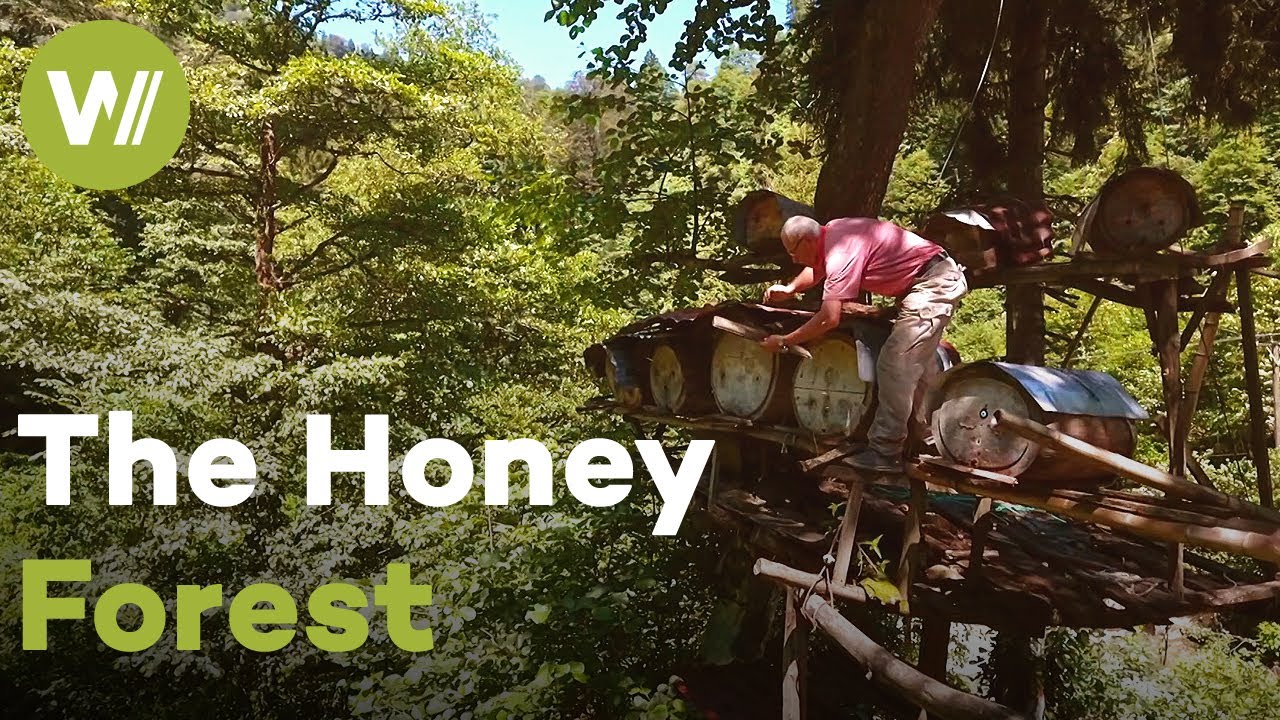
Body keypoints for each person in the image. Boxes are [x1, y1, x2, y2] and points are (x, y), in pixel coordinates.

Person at [760, 215, 968, 473]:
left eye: (793, 251)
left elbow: (828, 319)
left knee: (894, 364)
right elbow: (816, 268)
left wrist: (785, 340)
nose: (792, 258)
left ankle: (885, 451)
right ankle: (927, 440)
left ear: (807, 240)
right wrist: (791, 288)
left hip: (933, 284)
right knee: (918, 369)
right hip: (929, 280)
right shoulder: (834, 233)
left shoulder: (840, 253)